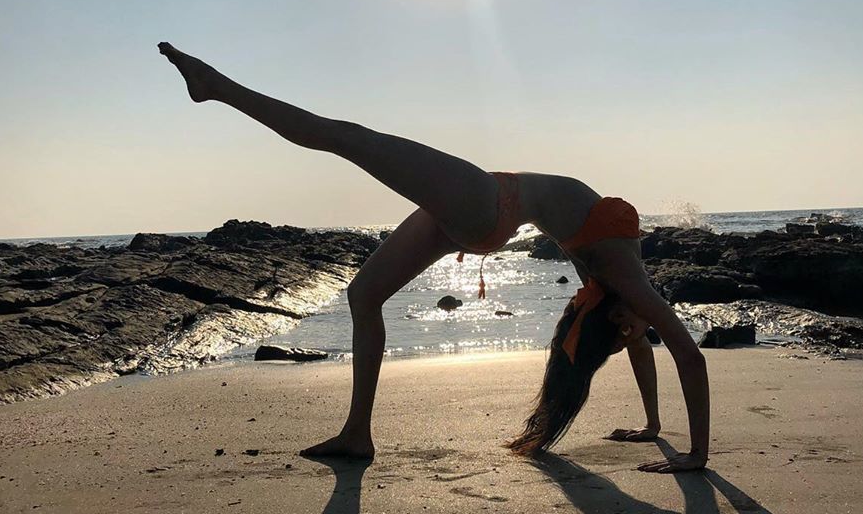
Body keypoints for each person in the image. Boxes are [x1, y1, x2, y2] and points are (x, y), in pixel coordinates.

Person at [158, 43, 709, 473]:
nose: (637, 329)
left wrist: (697, 455)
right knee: (364, 294)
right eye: (631, 329)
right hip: (483, 214)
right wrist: (653, 425)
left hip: (490, 205)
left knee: (348, 138)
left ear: (613, 316)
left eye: (626, 328)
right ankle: (357, 433)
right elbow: (639, 342)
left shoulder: (619, 278)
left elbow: (689, 355)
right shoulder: (610, 292)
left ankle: (217, 87)